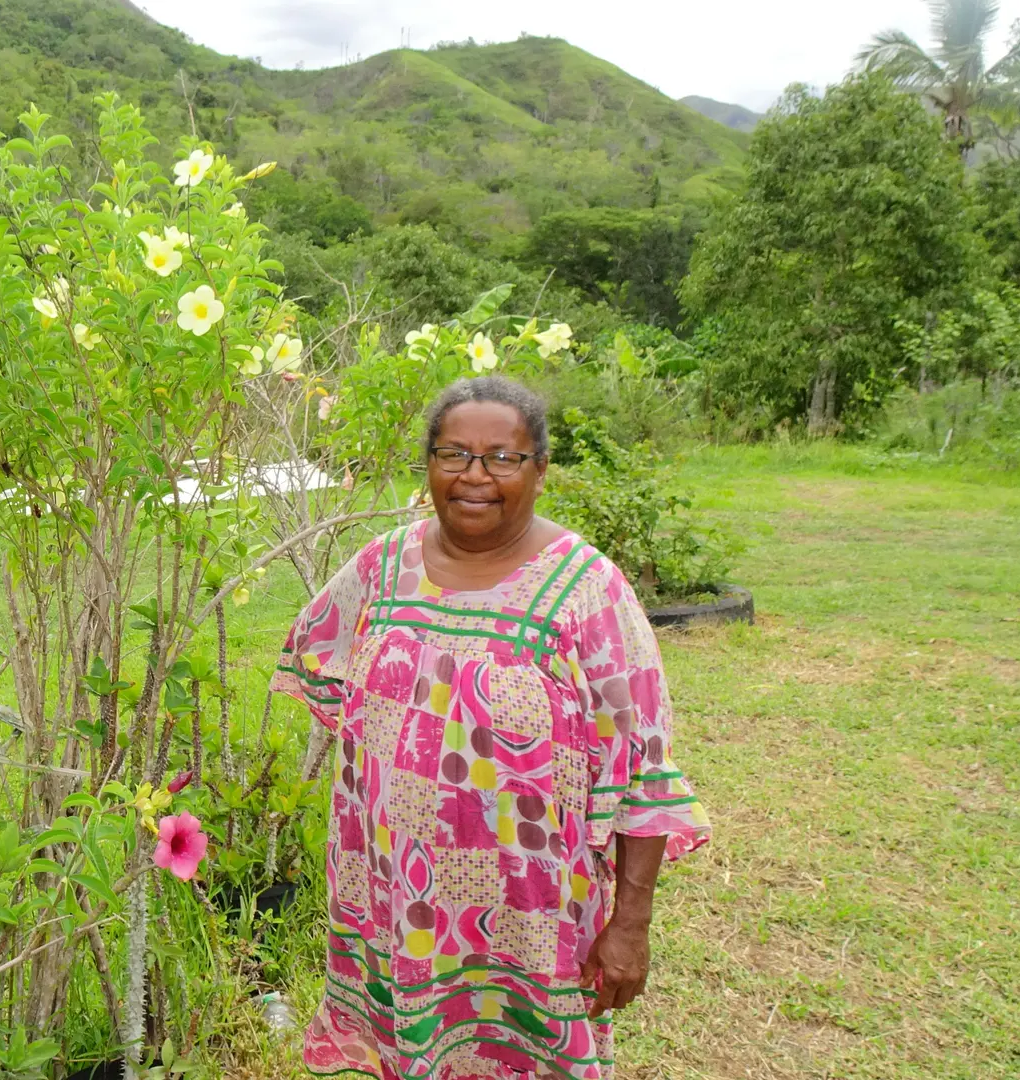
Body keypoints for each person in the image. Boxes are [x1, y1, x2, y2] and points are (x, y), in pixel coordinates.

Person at [272, 376, 709, 1080]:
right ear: (429, 465)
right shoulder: (382, 570)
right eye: (454, 454)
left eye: (502, 458)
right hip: (397, 905)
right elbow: (323, 672)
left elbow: (645, 776)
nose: (475, 476)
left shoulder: (586, 591)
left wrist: (630, 924)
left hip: (529, 917)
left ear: (539, 469)